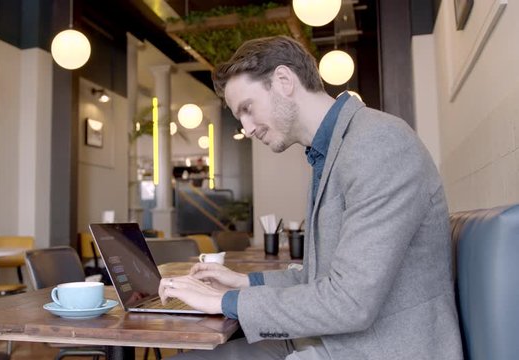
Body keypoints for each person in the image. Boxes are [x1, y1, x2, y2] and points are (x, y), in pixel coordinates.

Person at [158, 36, 463, 360]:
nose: (245, 128)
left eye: (247, 109)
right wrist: (242, 282)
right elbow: (319, 279)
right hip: (335, 341)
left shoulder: (378, 143)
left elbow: (350, 302)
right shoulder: (332, 150)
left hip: (378, 349)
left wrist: (221, 302)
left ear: (284, 81)